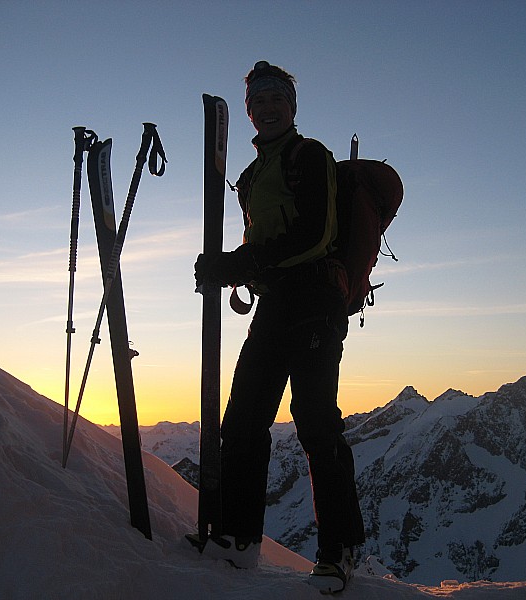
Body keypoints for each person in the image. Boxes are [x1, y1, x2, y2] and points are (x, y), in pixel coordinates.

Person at [194, 60, 364, 592]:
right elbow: (263, 242)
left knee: (314, 421)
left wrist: (238, 266)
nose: (268, 109)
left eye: (277, 101)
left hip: (315, 298)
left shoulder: (309, 157)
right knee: (243, 419)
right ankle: (239, 539)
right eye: (259, 102)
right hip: (275, 303)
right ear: (249, 112)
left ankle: (340, 550)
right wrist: (228, 266)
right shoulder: (250, 176)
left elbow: (314, 234)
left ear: (292, 107)